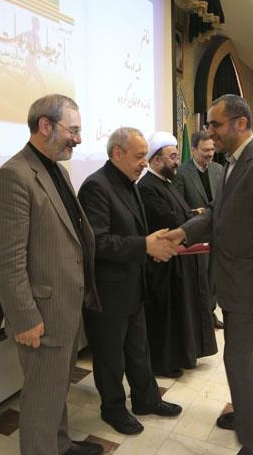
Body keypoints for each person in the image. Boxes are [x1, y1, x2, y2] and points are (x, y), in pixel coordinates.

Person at [165, 94, 253, 455]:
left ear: (240, 123)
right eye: (209, 126)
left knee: (239, 364)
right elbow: (216, 216)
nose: (210, 133)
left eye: (216, 125)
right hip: (235, 285)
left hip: (252, 292)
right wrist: (181, 233)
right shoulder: (233, 164)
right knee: (249, 362)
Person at [0, 94, 103, 455]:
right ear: (45, 126)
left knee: (56, 389)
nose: (78, 139)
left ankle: (60, 445)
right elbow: (8, 262)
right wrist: (25, 318)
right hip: (40, 314)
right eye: (73, 130)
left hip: (65, 307)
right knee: (40, 398)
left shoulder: (56, 171)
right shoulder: (13, 177)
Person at [78, 127, 182, 437]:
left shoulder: (130, 182)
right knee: (110, 357)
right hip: (107, 292)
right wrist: (145, 246)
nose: (144, 163)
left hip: (133, 286)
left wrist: (155, 244)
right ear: (117, 153)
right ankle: (113, 409)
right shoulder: (96, 186)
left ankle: (146, 400)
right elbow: (97, 243)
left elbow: (134, 232)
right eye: (139, 156)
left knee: (138, 349)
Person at [137, 131, 217, 378]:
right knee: (167, 317)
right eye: (172, 157)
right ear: (156, 160)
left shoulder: (165, 183)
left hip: (179, 262)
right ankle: (164, 363)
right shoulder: (147, 187)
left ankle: (182, 356)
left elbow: (182, 215)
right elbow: (169, 221)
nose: (176, 162)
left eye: (176, 156)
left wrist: (193, 216)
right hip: (164, 265)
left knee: (181, 314)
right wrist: (195, 216)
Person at [174, 130, 224, 329]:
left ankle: (210, 314)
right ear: (193, 150)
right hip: (195, 236)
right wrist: (197, 213)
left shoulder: (219, 170)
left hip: (217, 235)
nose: (210, 154)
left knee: (213, 278)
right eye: (205, 150)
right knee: (198, 280)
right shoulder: (181, 173)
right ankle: (197, 319)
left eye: (212, 149)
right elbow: (178, 205)